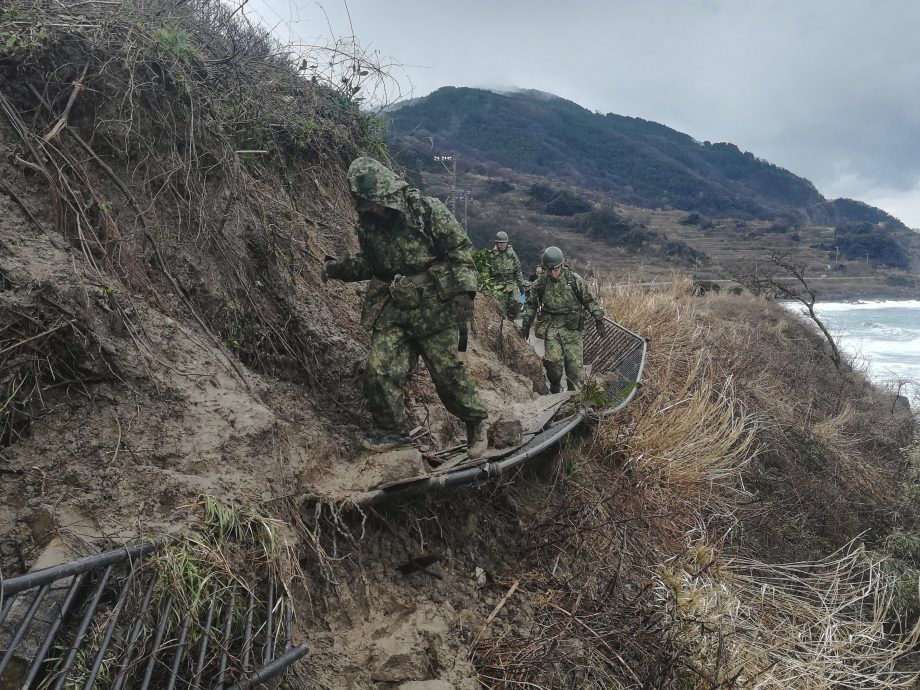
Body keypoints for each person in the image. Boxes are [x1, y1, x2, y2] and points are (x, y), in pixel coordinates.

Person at [323, 157, 489, 458]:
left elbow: (460, 249)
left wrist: (465, 292)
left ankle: (476, 422)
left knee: (447, 373)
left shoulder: (425, 210)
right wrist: (341, 268)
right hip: (393, 307)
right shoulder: (368, 226)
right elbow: (372, 265)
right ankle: (394, 430)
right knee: (379, 368)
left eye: (376, 202)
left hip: (435, 307)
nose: (373, 209)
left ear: (387, 192)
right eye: (367, 204)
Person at [519, 246, 607, 393]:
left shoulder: (574, 280)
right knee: (553, 364)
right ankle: (555, 385)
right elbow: (531, 304)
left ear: (561, 265)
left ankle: (574, 398)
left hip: (572, 329)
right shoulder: (541, 283)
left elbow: (589, 300)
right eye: (549, 270)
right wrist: (526, 325)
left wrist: (598, 319)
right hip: (552, 328)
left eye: (555, 269)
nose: (553, 273)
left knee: (574, 369)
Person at [485, 231, 528, 319]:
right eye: (500, 243)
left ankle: (511, 322)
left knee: (516, 302)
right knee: (500, 308)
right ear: (496, 243)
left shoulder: (512, 254)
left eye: (504, 243)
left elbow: (518, 271)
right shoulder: (491, 256)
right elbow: (487, 272)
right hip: (498, 285)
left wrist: (522, 287)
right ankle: (502, 323)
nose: (502, 245)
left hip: (511, 283)